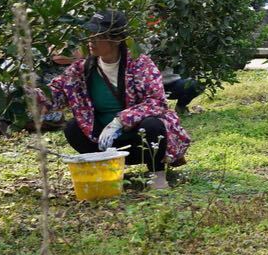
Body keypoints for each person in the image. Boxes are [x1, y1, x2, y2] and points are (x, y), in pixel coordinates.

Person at [39, 10, 191, 189]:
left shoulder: (140, 64)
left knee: (153, 126)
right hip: (103, 141)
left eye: (98, 36)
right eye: (90, 35)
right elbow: (57, 92)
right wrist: (34, 97)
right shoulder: (82, 69)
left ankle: (157, 173)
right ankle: (103, 166)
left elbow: (156, 101)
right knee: (72, 128)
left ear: (117, 39)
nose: (91, 41)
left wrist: (120, 121)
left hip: (138, 140)